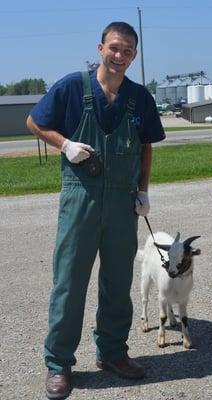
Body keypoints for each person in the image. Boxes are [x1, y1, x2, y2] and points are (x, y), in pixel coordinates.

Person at [27, 21, 165, 399]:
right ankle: (58, 364)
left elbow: (146, 145)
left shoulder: (140, 98)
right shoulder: (73, 86)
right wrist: (65, 144)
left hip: (123, 203)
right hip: (80, 199)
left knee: (118, 282)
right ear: (101, 48)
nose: (120, 56)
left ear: (134, 56)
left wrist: (143, 192)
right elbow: (35, 121)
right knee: (69, 282)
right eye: (114, 48)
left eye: (127, 51)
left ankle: (114, 354)